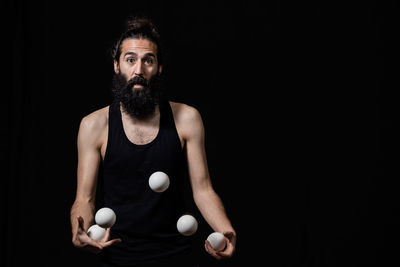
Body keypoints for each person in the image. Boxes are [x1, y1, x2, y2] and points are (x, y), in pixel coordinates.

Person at [70, 15, 236, 266]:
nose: (139, 70)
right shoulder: (94, 125)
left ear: (159, 68)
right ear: (116, 66)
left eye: (148, 60)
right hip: (116, 256)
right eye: (130, 60)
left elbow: (203, 190)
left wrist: (225, 230)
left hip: (176, 255)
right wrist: (78, 230)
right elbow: (85, 198)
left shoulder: (186, 119)